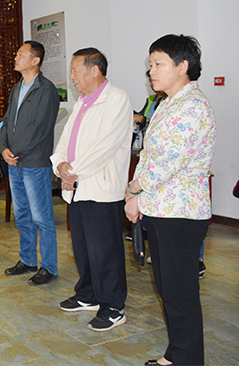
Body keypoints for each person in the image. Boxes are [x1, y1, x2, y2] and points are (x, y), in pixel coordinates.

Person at [125, 35, 215, 366]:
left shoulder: (192, 107)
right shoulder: (167, 103)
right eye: (150, 64)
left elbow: (167, 162)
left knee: (180, 293)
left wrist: (134, 189)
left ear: (182, 66)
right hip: (163, 208)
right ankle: (177, 354)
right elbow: (149, 154)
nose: (151, 71)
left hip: (181, 213)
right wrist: (137, 192)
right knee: (168, 288)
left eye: (158, 63)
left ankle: (188, 359)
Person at [51, 48, 132, 332]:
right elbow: (65, 141)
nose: (72, 77)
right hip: (78, 187)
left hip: (101, 188)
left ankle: (113, 306)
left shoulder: (117, 99)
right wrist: (60, 164)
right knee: (83, 247)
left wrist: (72, 171)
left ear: (94, 70)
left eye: (75, 71)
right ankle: (88, 294)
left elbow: (104, 147)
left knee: (105, 251)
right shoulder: (82, 103)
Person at [0, 41, 60, 285]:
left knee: (41, 217)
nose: (15, 57)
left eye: (21, 54)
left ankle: (49, 266)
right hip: (14, 162)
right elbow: (6, 121)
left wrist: (14, 151)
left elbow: (40, 129)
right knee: (22, 214)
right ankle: (27, 260)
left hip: (34, 163)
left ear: (35, 60)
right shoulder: (17, 88)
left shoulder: (46, 90)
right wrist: (3, 148)